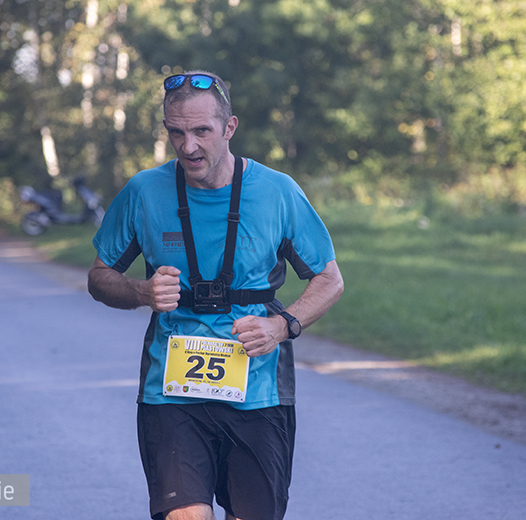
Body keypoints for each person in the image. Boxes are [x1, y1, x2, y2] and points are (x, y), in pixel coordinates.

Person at [88, 70, 343, 520]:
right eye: (176, 132)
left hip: (258, 389)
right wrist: (141, 291)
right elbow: (100, 276)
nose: (188, 147)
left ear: (229, 128)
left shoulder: (277, 191)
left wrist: (281, 326)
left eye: (201, 131)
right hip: (171, 391)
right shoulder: (144, 191)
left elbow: (329, 280)